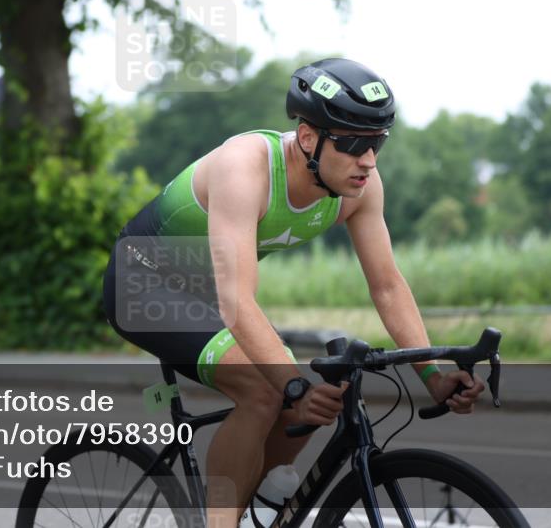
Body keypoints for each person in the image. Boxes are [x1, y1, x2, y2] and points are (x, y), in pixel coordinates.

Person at [102, 57, 487, 527]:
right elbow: (236, 301)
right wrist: (292, 385)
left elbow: (387, 286)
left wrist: (433, 376)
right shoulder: (244, 168)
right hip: (142, 285)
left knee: (314, 397)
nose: (368, 160)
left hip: (212, 292)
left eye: (377, 143)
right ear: (308, 138)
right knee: (268, 390)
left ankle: (259, 508)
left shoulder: (359, 187)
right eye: (353, 144)